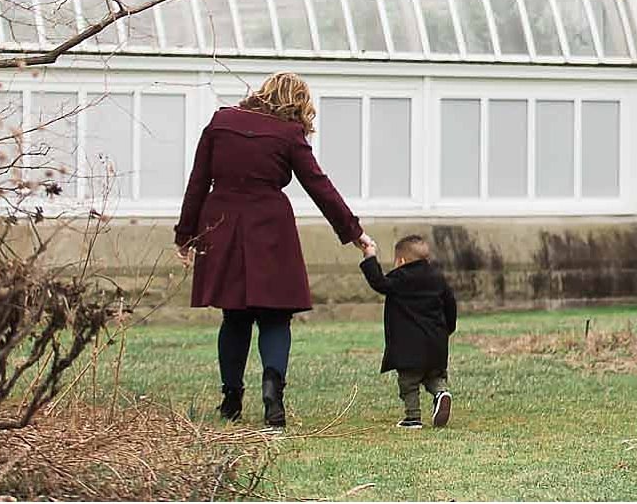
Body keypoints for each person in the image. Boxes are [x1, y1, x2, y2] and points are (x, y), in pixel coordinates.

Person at [174, 72, 369, 430]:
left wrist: (185, 235)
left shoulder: (221, 122)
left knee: (234, 317)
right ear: (296, 103)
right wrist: (354, 233)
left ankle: (231, 398)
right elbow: (319, 186)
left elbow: (198, 181)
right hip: (271, 228)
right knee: (275, 318)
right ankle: (273, 394)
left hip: (222, 224)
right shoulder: (288, 134)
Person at [358, 232, 458, 429]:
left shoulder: (401, 277)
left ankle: (413, 418)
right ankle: (441, 393)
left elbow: (379, 282)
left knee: (409, 383)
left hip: (409, 346)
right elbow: (450, 305)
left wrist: (369, 256)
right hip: (436, 343)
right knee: (433, 377)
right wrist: (448, 329)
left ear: (401, 260)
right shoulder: (438, 278)